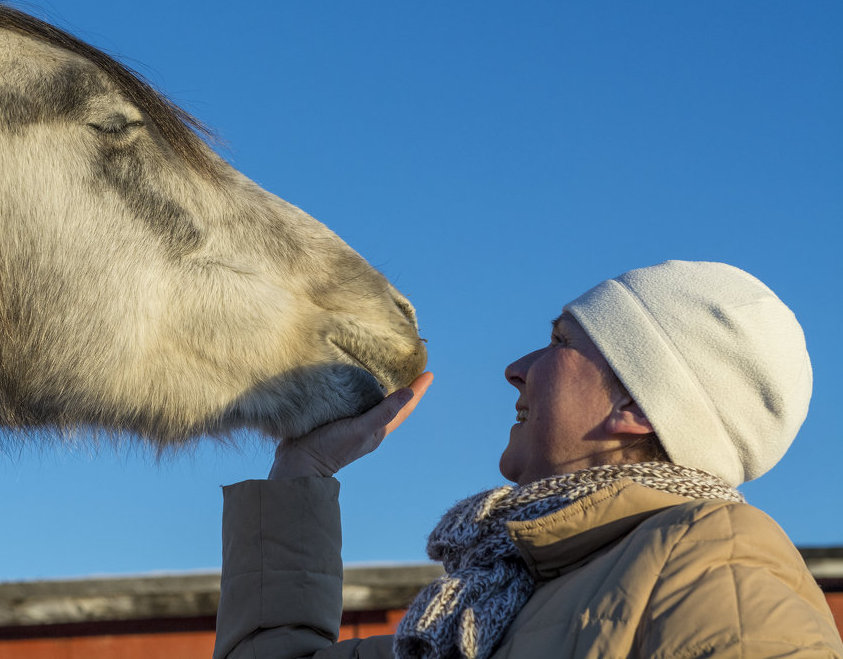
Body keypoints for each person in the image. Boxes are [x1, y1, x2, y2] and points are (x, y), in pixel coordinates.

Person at [214, 260, 843, 659]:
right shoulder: (481, 602)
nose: (516, 370)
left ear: (639, 405)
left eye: (560, 343)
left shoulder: (714, 558)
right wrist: (301, 473)